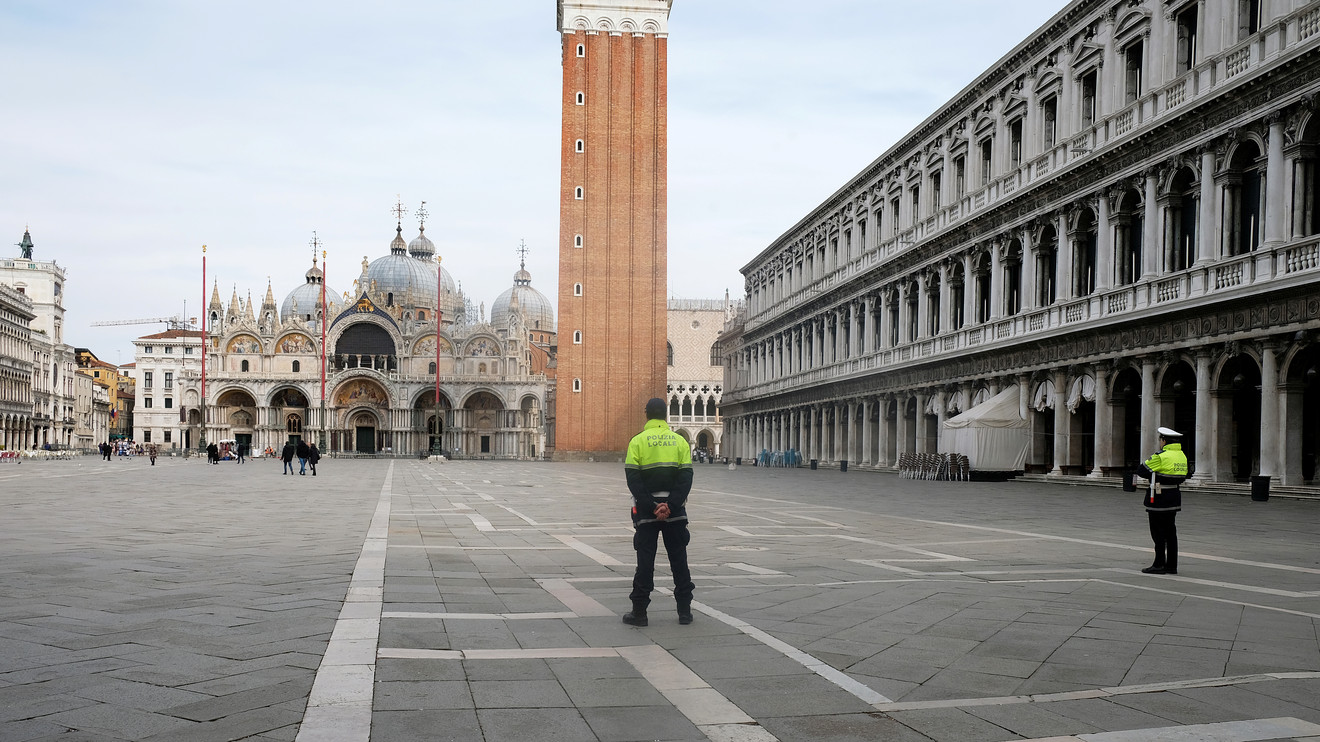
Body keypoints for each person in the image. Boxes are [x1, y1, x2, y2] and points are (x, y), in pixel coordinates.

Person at [622, 397, 696, 627]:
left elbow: (633, 480)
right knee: (679, 560)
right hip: (675, 512)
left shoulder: (637, 441)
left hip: (646, 513)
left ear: (646, 414)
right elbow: (686, 479)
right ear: (665, 415)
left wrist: (652, 506)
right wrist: (670, 505)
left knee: (645, 562)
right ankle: (684, 612)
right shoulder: (680, 441)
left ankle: (640, 612)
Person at [1136, 426, 1188, 575]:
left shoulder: (1161, 456)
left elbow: (1141, 470)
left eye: (1160, 439)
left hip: (1158, 498)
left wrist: (1157, 474)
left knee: (1158, 532)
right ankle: (1171, 565)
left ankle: (1159, 564)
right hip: (1174, 496)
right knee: (1171, 532)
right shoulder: (1182, 456)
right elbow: (1184, 475)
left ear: (1164, 441)